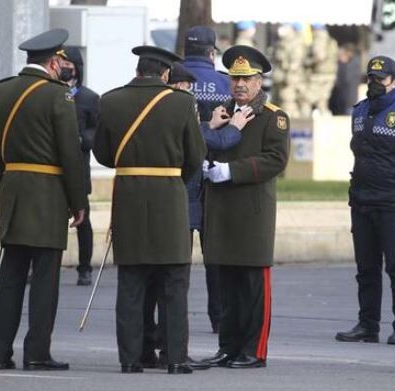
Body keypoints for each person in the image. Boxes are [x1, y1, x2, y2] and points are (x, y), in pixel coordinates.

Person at [93, 46, 207, 374]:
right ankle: (174, 357)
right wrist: (171, 177)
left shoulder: (110, 100)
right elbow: (195, 156)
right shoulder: (182, 102)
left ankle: (130, 359)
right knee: (173, 281)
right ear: (166, 73)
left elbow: (102, 153)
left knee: (131, 281)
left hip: (127, 196)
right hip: (169, 198)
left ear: (139, 69)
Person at [0, 28, 87, 371]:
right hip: (47, 194)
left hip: (13, 189)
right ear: (55, 61)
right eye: (62, 60)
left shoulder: (0, 91)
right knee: (45, 278)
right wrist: (78, 201)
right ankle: (37, 352)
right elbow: (70, 154)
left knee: (12, 274)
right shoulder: (58, 96)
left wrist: (10, 177)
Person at [141, 62, 238, 370]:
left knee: (151, 281)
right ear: (180, 86)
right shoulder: (179, 108)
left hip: (155, 204)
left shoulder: (154, 108)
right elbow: (203, 145)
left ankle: (147, 347)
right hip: (179, 205)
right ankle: (172, 351)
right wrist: (233, 125)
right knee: (174, 281)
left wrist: (207, 125)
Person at [200, 45, 290, 369]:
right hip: (222, 209)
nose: (239, 84)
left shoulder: (274, 117)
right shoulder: (221, 113)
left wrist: (232, 171)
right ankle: (229, 346)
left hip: (252, 212)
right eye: (235, 78)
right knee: (227, 286)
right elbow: (207, 146)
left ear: (259, 81)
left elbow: (276, 160)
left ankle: (255, 350)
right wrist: (208, 164)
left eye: (247, 78)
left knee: (253, 287)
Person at [335, 56, 395, 346]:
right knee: (366, 269)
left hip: (394, 205)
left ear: (394, 81)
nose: (375, 83)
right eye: (371, 77)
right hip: (362, 201)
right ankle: (367, 325)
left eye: (381, 78)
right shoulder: (359, 112)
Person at [182, 25, 232, 334]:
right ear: (212, 53)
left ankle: (175, 314)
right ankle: (219, 317)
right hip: (216, 175)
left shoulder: (174, 81)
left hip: (182, 176)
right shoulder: (226, 84)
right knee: (215, 254)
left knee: (177, 255)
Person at [58, 46, 99, 286]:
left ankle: (85, 268)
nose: (64, 68)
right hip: (54, 170)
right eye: (60, 63)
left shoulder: (89, 98)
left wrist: (83, 138)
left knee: (82, 219)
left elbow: (97, 131)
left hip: (78, 168)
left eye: (68, 64)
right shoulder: (51, 92)